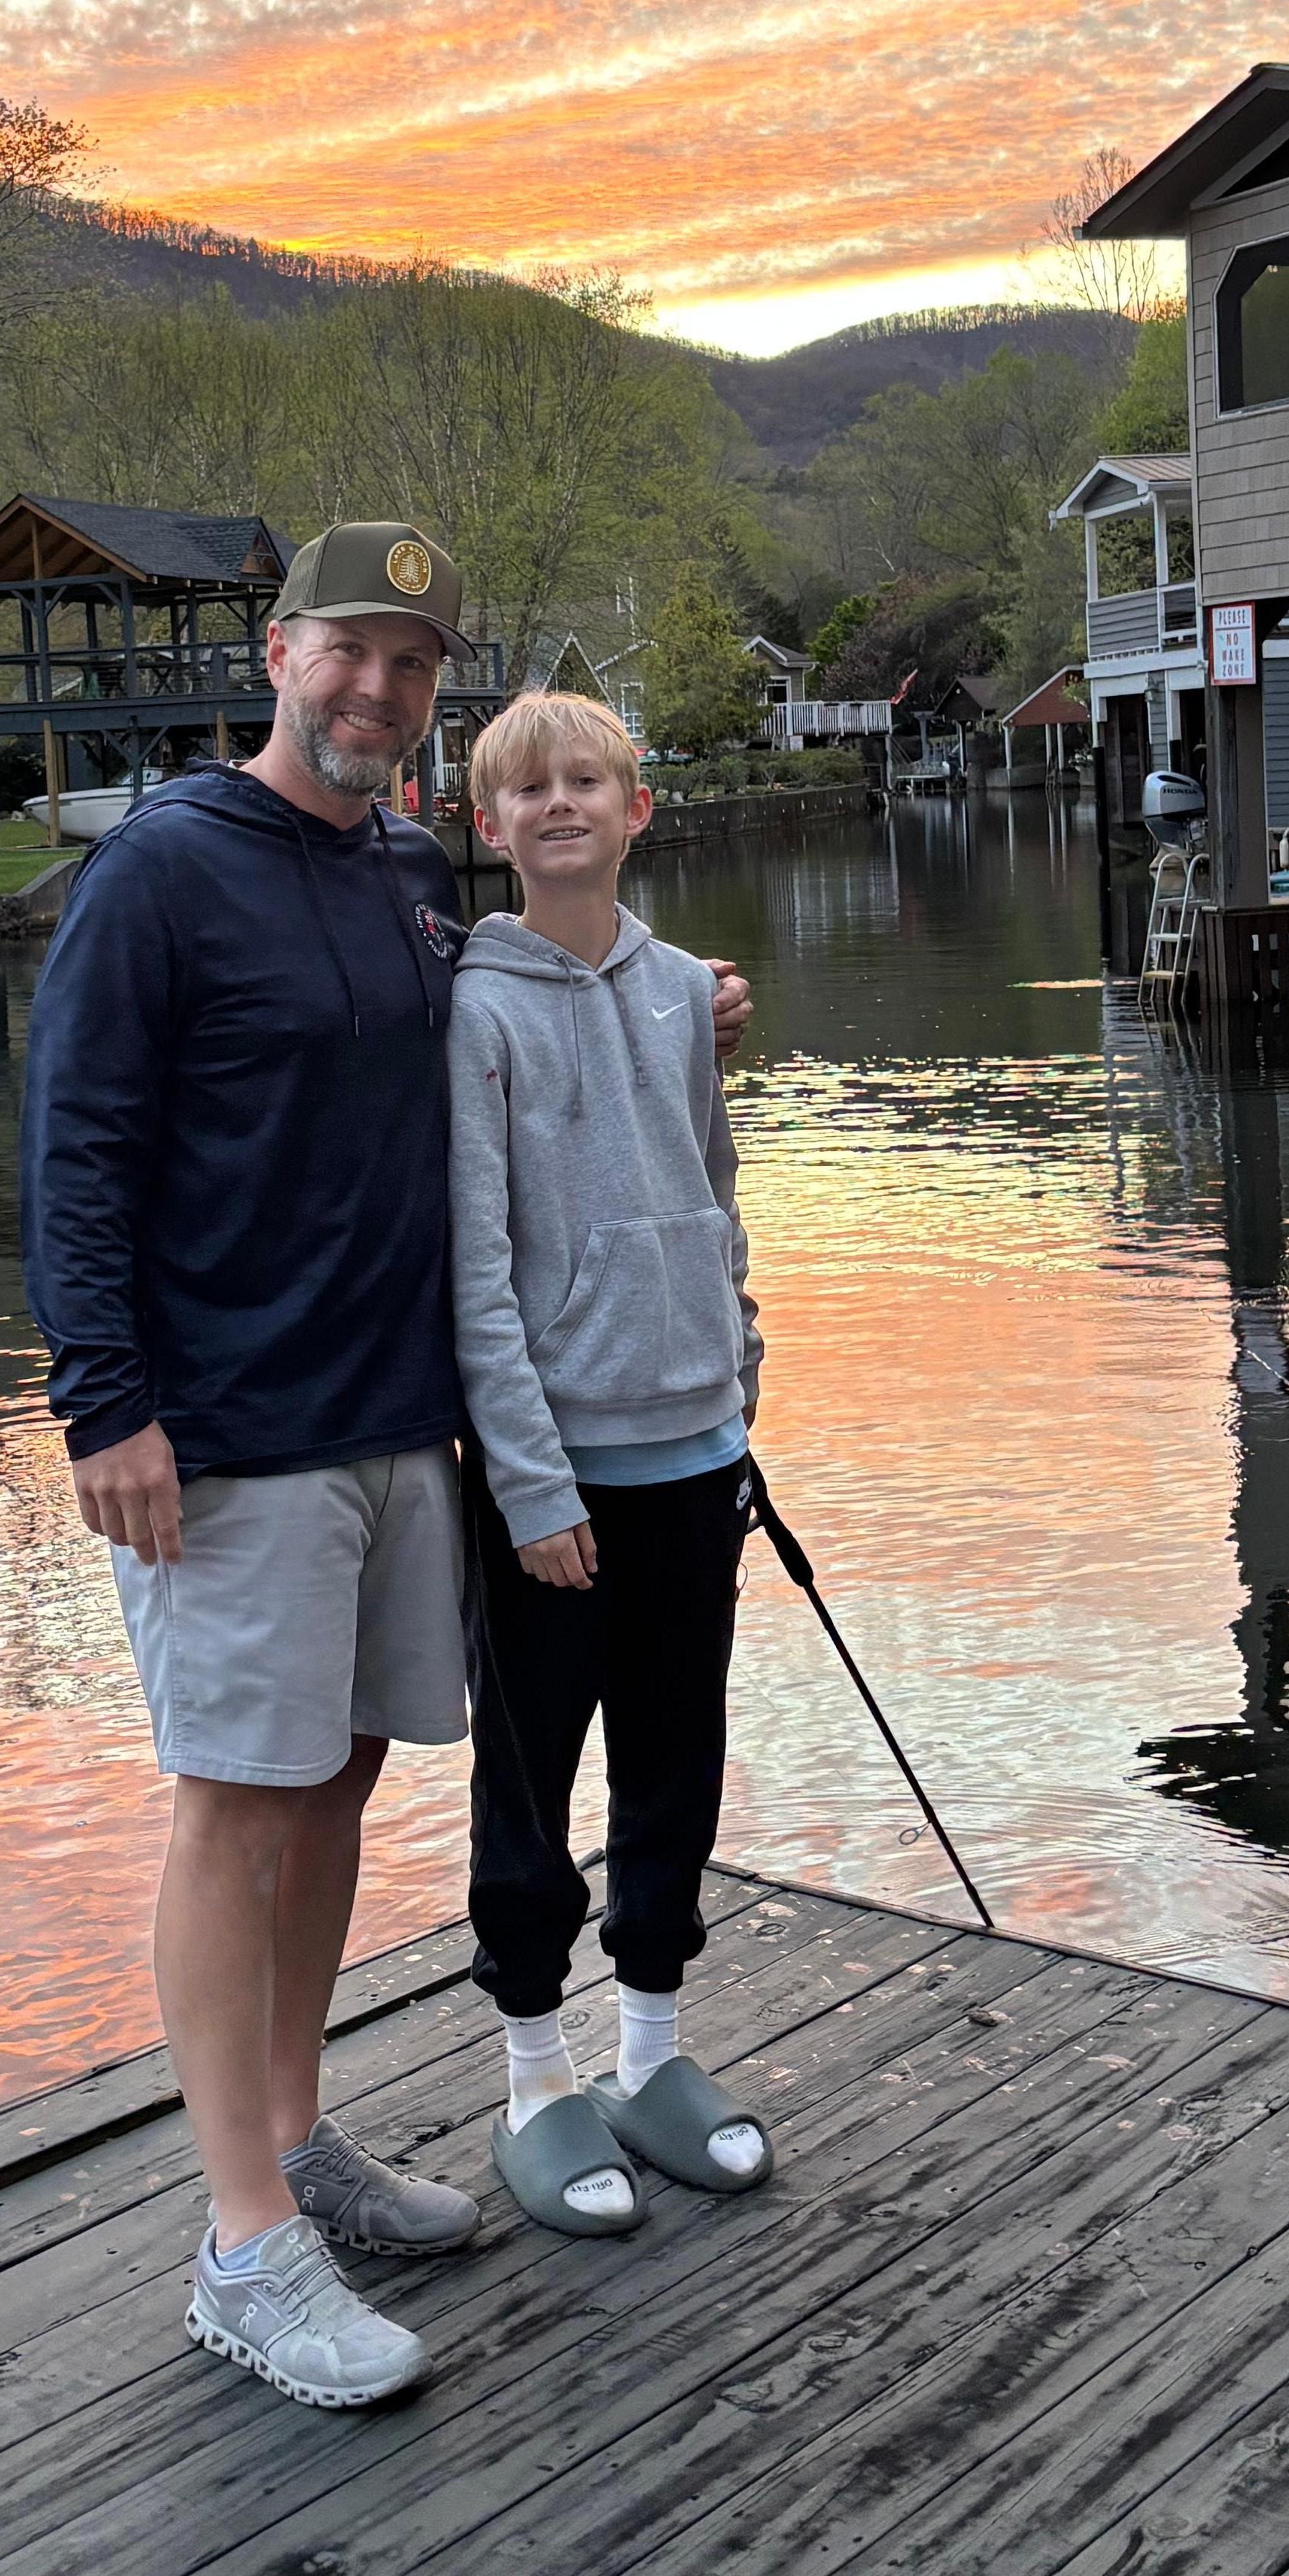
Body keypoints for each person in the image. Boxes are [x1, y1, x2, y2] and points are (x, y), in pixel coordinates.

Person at [20, 524, 752, 2410]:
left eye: (412, 664)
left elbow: (548, 1017)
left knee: (338, 1785)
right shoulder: (159, 872)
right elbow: (76, 1147)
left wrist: (685, 1003)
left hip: (400, 1424)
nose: (377, 688)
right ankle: (240, 2246)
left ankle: (294, 2141)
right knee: (233, 1805)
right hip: (227, 1438)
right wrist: (104, 1405)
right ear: (277, 654)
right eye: (348, 651)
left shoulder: (415, 877)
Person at [447, 688, 774, 2237]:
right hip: (554, 1488)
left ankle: (651, 2051)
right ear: (489, 826)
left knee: (674, 1760)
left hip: (695, 1455)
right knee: (531, 1785)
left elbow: (717, 1196)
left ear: (639, 809)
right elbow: (475, 1270)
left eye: (590, 780)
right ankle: (535, 2077)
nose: (563, 803)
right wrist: (529, 1485)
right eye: (532, 789)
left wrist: (738, 1382)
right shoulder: (479, 1011)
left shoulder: (683, 992)